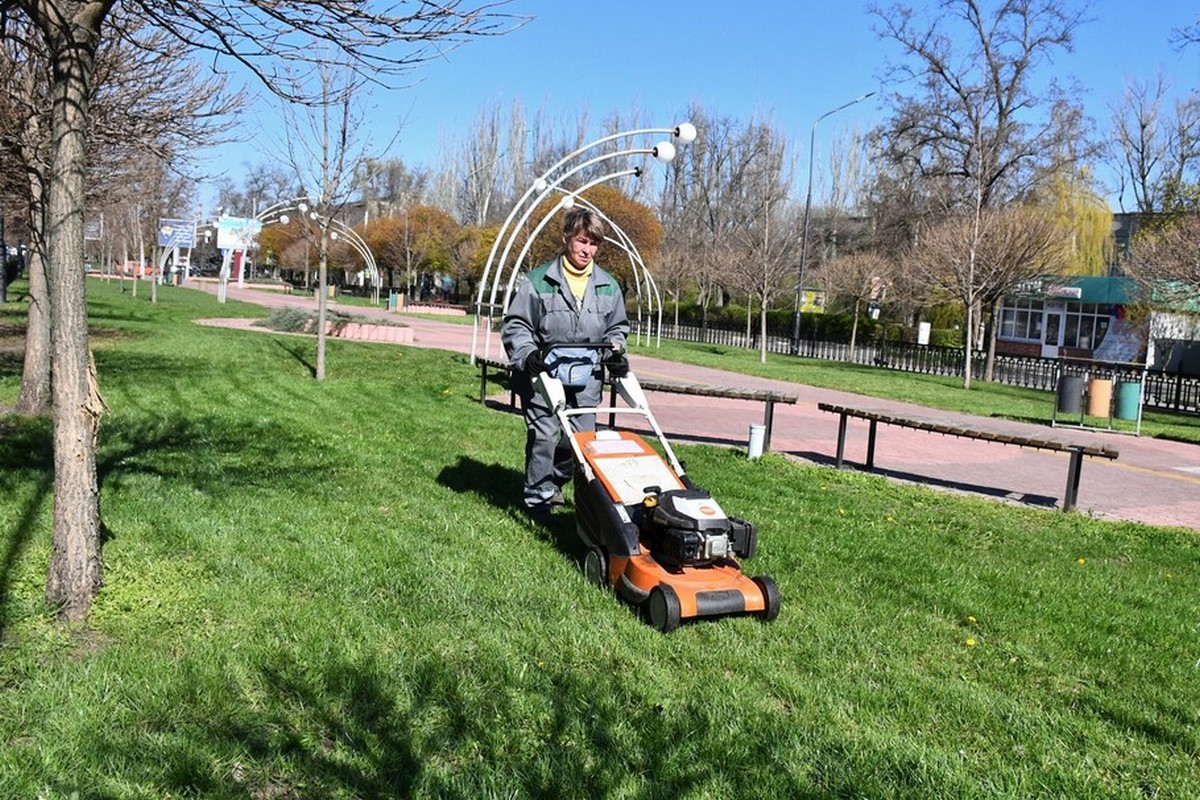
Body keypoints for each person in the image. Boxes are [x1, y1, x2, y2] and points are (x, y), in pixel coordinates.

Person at [502, 207, 630, 519]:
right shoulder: (538, 282)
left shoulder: (608, 286)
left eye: (594, 244)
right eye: (582, 241)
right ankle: (538, 500)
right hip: (544, 374)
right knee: (545, 434)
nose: (587, 250)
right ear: (566, 239)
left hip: (586, 377)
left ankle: (556, 482)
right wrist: (528, 355)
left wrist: (615, 351)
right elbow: (516, 325)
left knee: (580, 441)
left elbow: (617, 328)